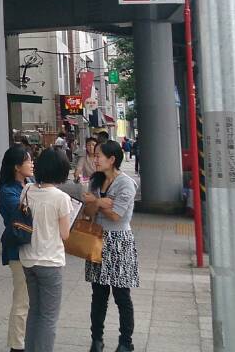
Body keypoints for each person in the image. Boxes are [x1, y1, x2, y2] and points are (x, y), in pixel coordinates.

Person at [83, 140, 139, 352]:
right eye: (95, 155)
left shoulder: (126, 183)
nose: (95, 159)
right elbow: (88, 213)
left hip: (119, 242)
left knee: (121, 295)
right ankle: (96, 338)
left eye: (99, 156)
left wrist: (96, 202)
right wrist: (98, 204)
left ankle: (126, 341)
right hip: (96, 238)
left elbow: (117, 215)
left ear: (112, 159)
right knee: (98, 294)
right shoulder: (95, 181)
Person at [21, 147, 74, 352]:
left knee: (34, 311)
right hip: (50, 261)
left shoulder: (26, 190)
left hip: (28, 258)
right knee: (49, 317)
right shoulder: (61, 198)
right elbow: (65, 234)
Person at [0, 145, 35, 352]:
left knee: (31, 301)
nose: (32, 163)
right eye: (28, 160)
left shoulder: (31, 184)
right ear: (16, 166)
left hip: (35, 248)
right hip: (17, 249)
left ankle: (28, 341)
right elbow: (24, 214)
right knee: (22, 299)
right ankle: (17, 346)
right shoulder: (8, 191)